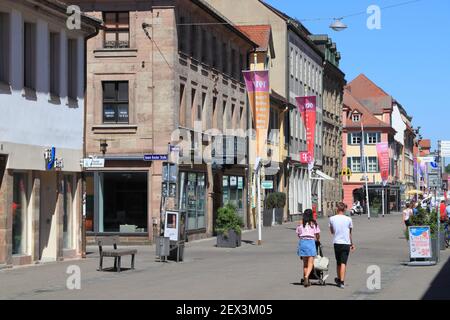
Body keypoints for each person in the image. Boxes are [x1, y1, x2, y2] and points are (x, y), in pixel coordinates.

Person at [329, 202, 355, 289]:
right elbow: (350, 233)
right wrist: (352, 244)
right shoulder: (348, 219)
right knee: (344, 262)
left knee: (338, 262)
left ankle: (339, 279)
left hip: (337, 242)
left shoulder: (332, 219)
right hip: (346, 243)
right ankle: (342, 282)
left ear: (337, 209)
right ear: (344, 209)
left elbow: (332, 231)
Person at [296, 209, 321, 288]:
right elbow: (317, 234)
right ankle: (306, 277)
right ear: (311, 215)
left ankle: (306, 279)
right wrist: (318, 239)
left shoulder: (300, 223)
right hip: (310, 242)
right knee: (311, 263)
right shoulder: (314, 223)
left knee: (305, 264)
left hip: (303, 242)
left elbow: (298, 234)